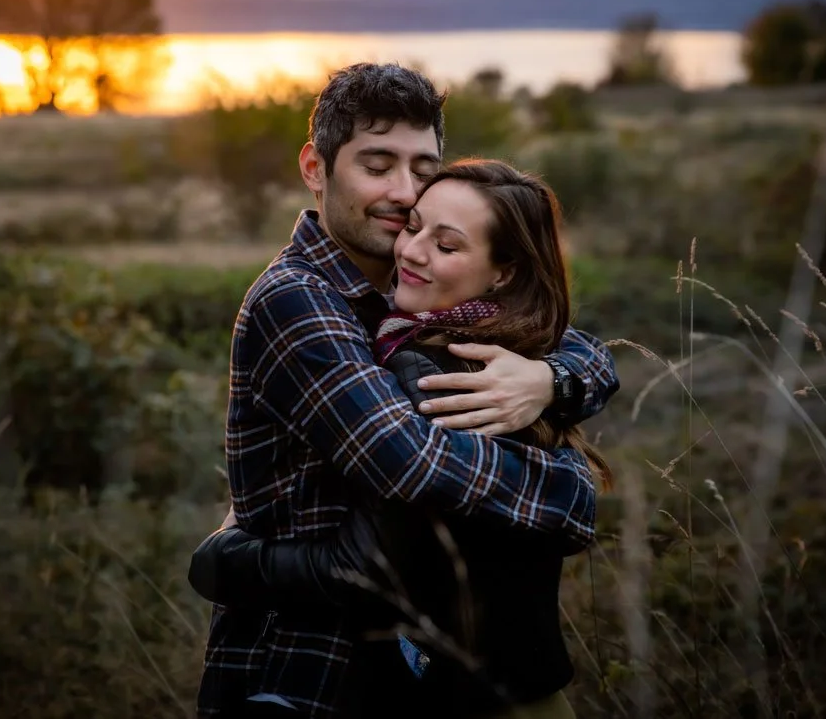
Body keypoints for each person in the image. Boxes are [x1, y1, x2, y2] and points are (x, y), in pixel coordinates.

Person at [194, 63, 619, 718]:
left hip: (404, 672)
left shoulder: (412, 291)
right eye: (377, 163)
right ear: (316, 167)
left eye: (423, 167)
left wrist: (550, 378)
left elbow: (565, 335)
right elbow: (409, 460)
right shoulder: (297, 300)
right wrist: (568, 491)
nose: (402, 190)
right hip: (302, 670)